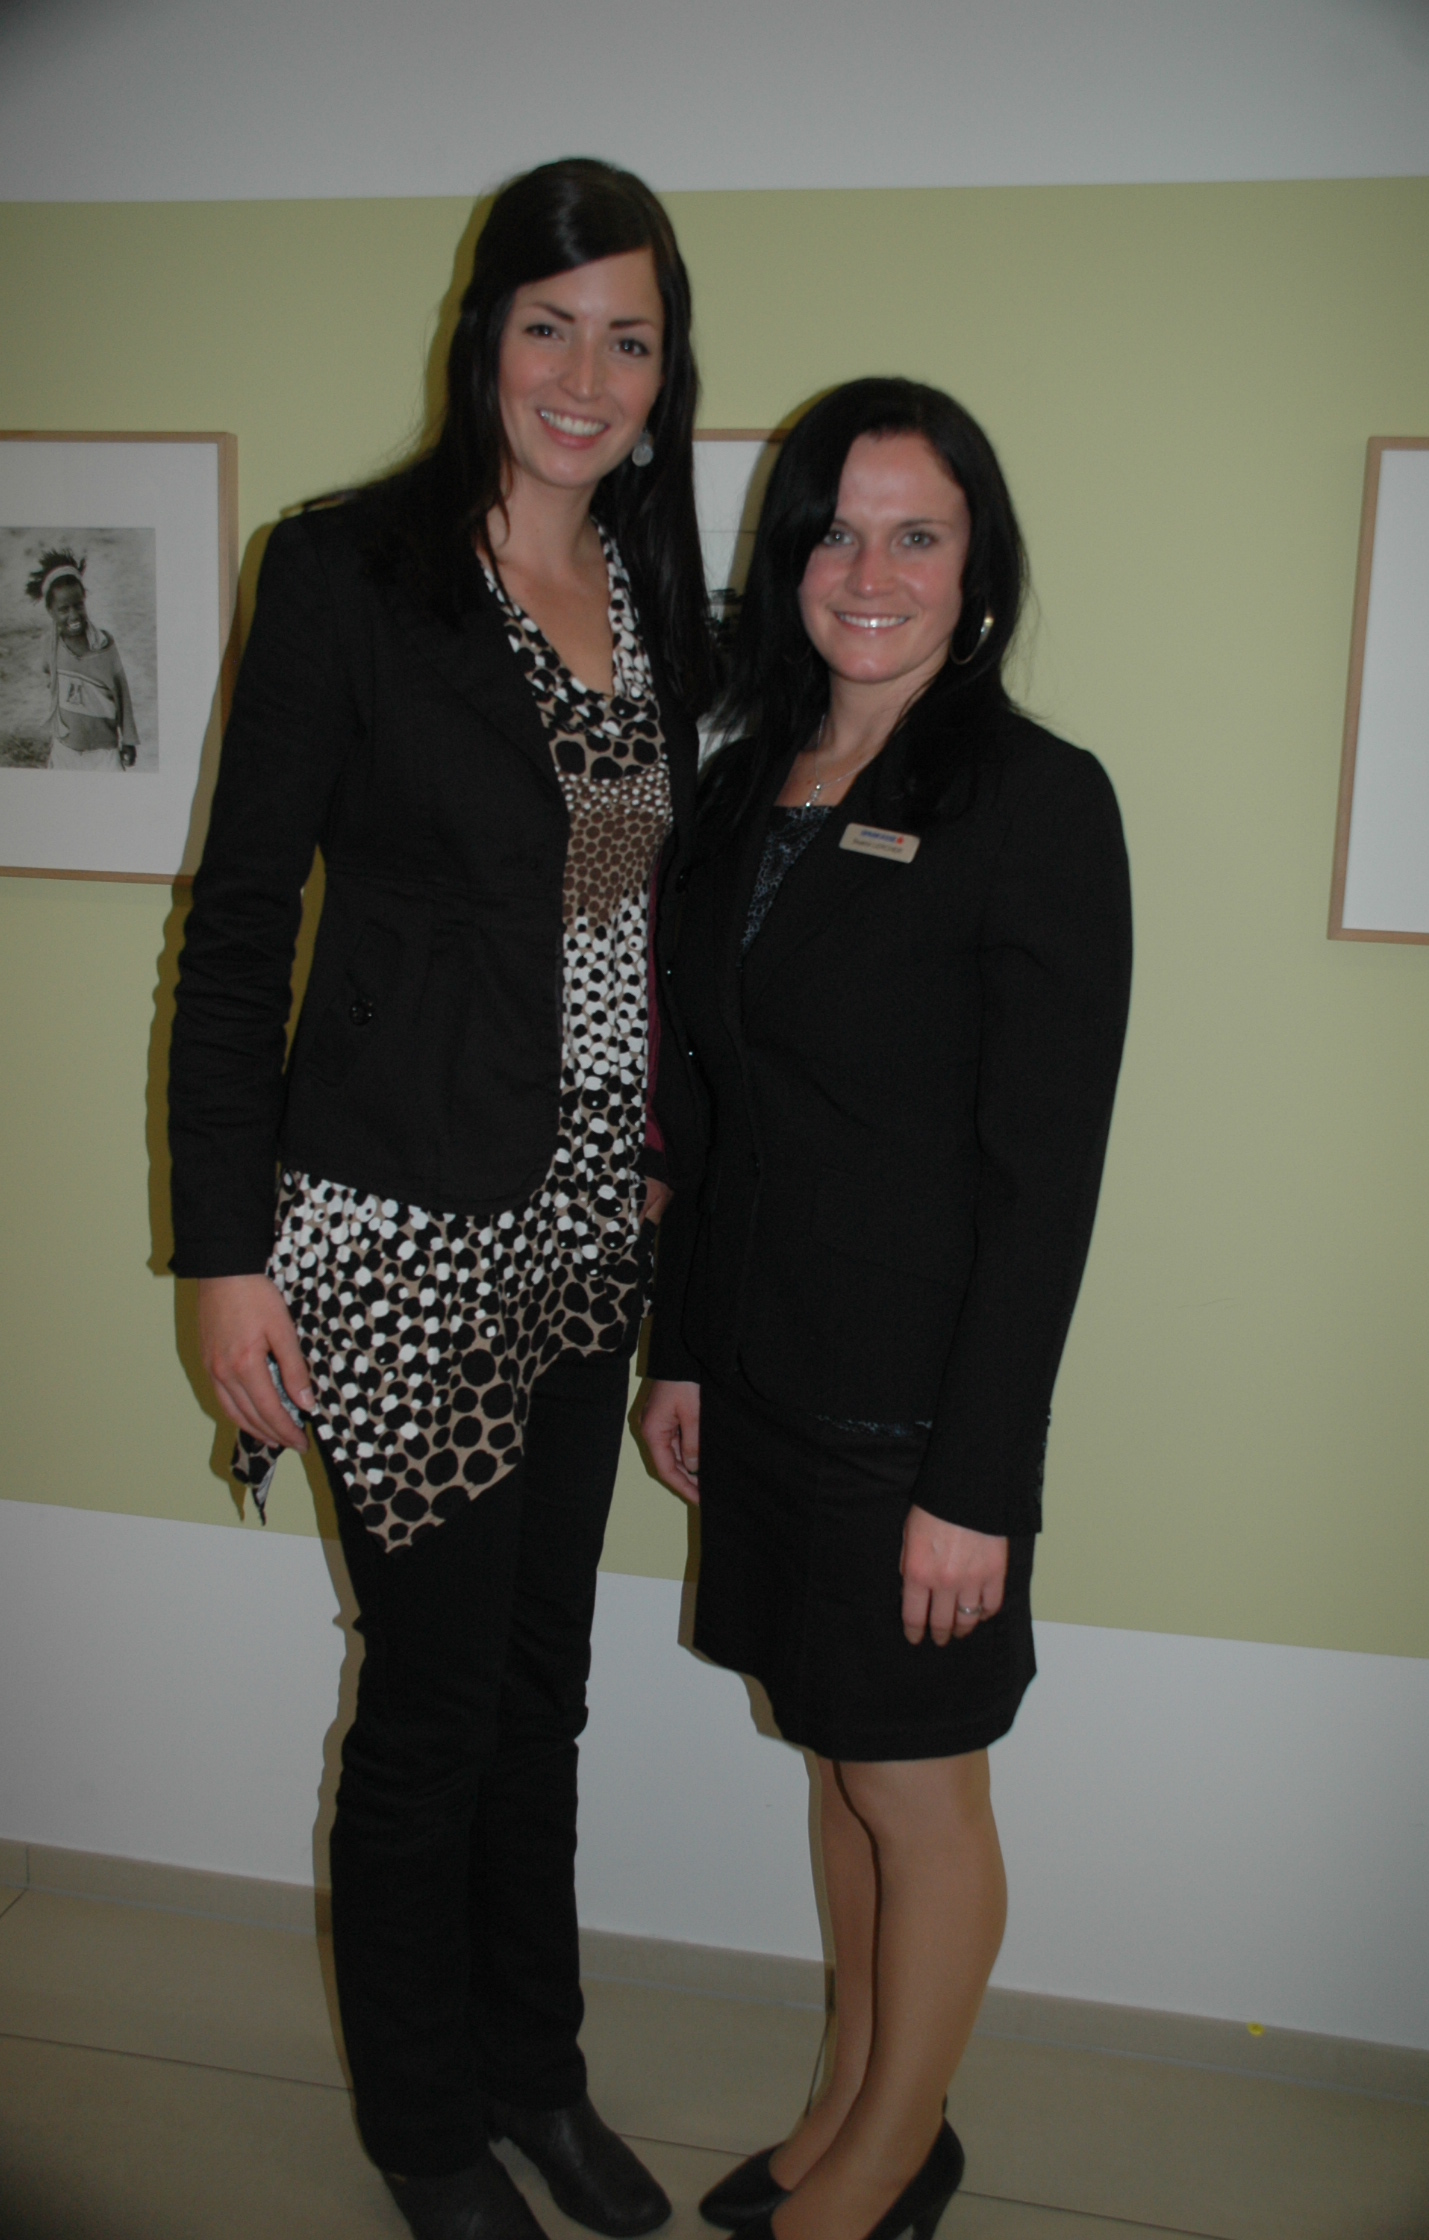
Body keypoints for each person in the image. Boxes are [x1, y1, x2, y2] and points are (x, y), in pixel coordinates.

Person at [169, 158, 715, 2240]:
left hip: (586, 1234)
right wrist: (226, 1254)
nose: (585, 373)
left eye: (628, 337)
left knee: (539, 1692)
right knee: (428, 1709)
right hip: (390, 1238)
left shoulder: (659, 600)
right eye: (549, 324)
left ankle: (531, 2072)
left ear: (665, 371)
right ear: (483, 333)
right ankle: (424, 2125)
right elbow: (239, 928)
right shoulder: (348, 572)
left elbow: (648, 939)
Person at [641, 379, 1131, 2240]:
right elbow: (712, 1116)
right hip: (762, 1386)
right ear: (788, 562)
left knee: (919, 1799)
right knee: (842, 1769)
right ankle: (854, 2105)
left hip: (912, 1420)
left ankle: (888, 2162)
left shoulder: (1034, 802)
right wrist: (684, 1352)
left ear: (975, 570)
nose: (870, 570)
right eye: (836, 531)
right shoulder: (741, 785)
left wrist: (976, 1485)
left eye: (916, 533)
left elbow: (1041, 1184)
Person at [25, 547, 140, 769]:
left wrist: (129, 739)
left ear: (84, 600)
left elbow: (122, 692)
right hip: (65, 751)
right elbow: (49, 675)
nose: (73, 615)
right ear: (50, 610)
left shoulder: (104, 646)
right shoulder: (49, 645)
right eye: (63, 609)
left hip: (104, 754)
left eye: (78, 605)